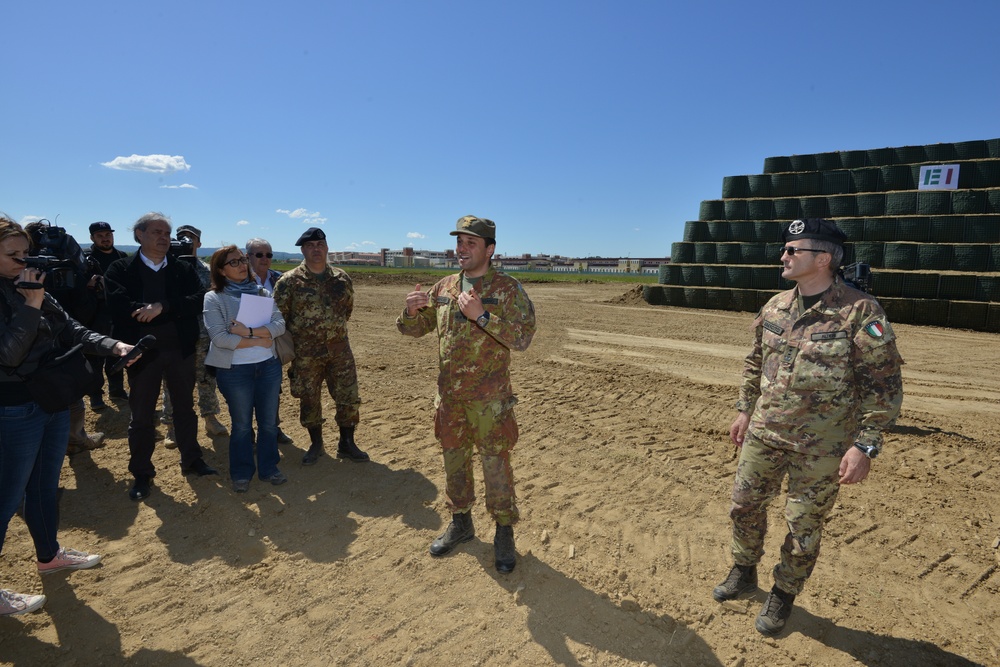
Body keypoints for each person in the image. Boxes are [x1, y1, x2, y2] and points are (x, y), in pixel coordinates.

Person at [713, 218, 904, 636]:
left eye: (791, 250)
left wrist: (865, 447)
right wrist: (745, 409)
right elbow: (754, 361)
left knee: (803, 527)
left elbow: (884, 385)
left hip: (822, 446)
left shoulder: (861, 311)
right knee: (743, 507)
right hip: (765, 432)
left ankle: (783, 595)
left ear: (823, 258)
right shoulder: (776, 305)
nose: (783, 256)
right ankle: (743, 570)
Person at [0, 216, 136, 616]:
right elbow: (8, 354)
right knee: (6, 499)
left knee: (43, 485)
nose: (25, 261)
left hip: (51, 399)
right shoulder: (28, 293)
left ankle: (50, 555)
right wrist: (31, 304)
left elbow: (73, 329)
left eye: (25, 252)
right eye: (13, 255)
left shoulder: (32, 286)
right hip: (12, 409)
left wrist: (114, 346)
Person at [397, 215, 536, 573]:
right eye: (460, 242)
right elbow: (415, 330)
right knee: (453, 461)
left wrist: (482, 316)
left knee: (495, 464)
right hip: (450, 399)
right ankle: (461, 521)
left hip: (489, 401)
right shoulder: (443, 288)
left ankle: (504, 529)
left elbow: (522, 338)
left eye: (470, 243)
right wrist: (410, 312)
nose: (461, 249)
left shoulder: (506, 289)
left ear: (489, 249)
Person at [104, 213, 218, 501]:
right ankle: (142, 472)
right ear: (139, 234)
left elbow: (198, 299)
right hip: (141, 353)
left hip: (179, 349)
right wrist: (148, 309)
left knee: (184, 409)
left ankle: (192, 460)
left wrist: (162, 307)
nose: (164, 237)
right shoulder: (120, 269)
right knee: (141, 416)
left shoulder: (182, 268)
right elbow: (117, 305)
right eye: (157, 231)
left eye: (166, 232)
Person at [273, 227, 369, 465]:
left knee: (348, 396)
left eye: (320, 245)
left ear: (326, 248)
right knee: (309, 398)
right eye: (310, 246)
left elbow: (346, 310)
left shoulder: (341, 279)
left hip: (339, 351)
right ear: (303, 250)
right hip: (306, 354)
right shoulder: (288, 282)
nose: (316, 249)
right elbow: (279, 318)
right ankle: (316, 444)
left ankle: (347, 443)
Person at [204, 246, 286, 492]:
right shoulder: (214, 298)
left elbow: (280, 324)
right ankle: (241, 472)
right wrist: (260, 339)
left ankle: (269, 468)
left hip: (268, 367)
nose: (242, 264)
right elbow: (220, 338)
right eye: (233, 262)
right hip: (235, 371)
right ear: (220, 270)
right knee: (241, 425)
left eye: (242, 259)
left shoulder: (261, 292)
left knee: (269, 423)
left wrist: (248, 332)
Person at [160, 224, 228, 447]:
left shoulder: (208, 270)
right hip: (175, 337)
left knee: (207, 378)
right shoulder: (164, 269)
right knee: (172, 382)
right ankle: (171, 426)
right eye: (181, 238)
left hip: (204, 334)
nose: (187, 242)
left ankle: (210, 418)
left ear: (199, 243)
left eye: (191, 238)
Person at [246, 237, 292, 445]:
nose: (265, 259)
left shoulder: (280, 280)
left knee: (273, 389)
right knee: (247, 392)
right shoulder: (239, 280)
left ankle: (273, 428)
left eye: (269, 255)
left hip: (273, 342)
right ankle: (249, 434)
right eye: (259, 254)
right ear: (247, 257)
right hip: (245, 344)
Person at [84, 221, 129, 409]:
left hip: (118, 312)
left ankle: (117, 390)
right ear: (92, 238)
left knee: (116, 353)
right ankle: (95, 395)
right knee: (95, 356)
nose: (105, 238)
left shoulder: (122, 257)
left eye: (108, 234)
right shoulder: (85, 259)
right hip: (95, 313)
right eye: (100, 235)